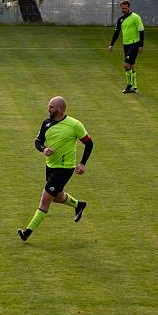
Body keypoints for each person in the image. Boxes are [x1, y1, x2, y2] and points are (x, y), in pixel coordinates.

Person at [18, 96, 93, 242]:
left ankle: (27, 232)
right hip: (50, 166)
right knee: (57, 197)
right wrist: (43, 149)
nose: (48, 109)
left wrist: (82, 163)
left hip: (64, 168)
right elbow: (38, 141)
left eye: (51, 107)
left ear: (59, 109)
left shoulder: (74, 125)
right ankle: (79, 205)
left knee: (45, 199)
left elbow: (89, 143)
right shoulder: (46, 124)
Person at [108, 0, 144, 93]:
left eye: (125, 8)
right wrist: (112, 44)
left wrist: (141, 45)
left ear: (129, 7)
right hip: (126, 44)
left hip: (134, 43)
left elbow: (141, 31)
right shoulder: (120, 19)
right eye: (122, 8)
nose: (124, 10)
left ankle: (129, 85)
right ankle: (135, 87)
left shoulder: (135, 17)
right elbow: (116, 32)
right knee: (131, 65)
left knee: (126, 65)